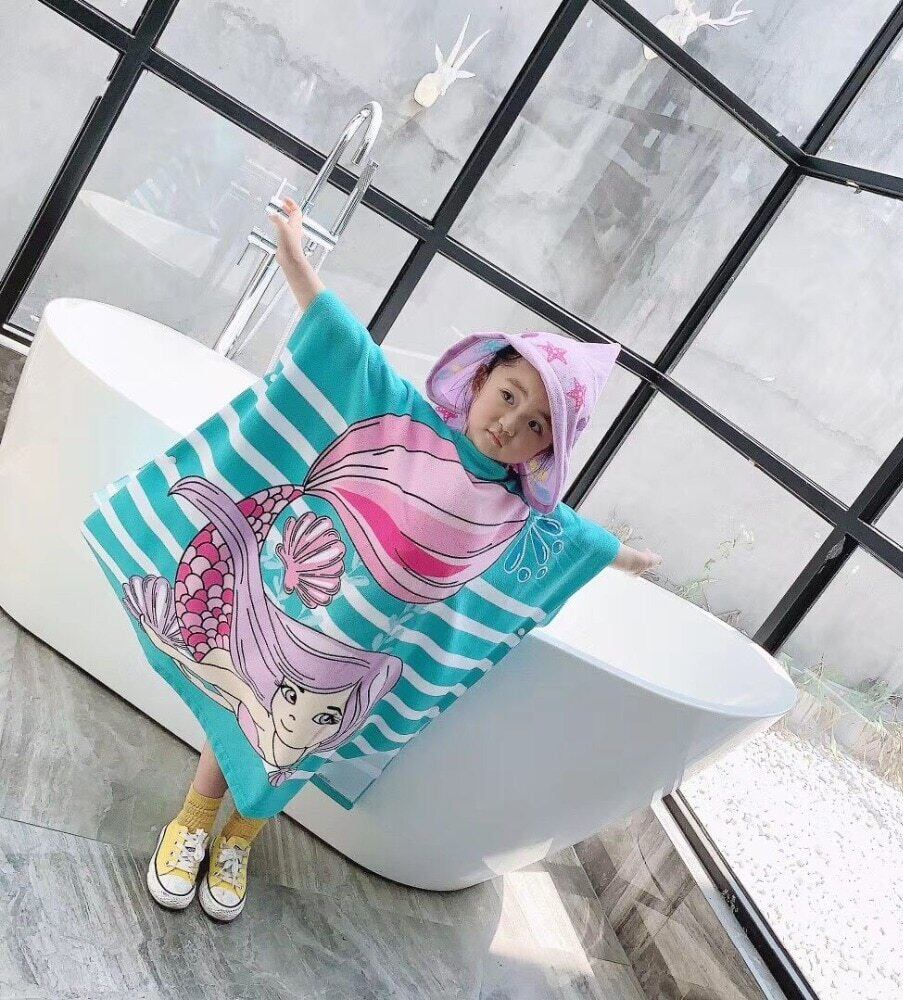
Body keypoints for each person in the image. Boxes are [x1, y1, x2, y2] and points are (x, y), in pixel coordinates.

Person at [135, 197, 661, 921]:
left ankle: (240, 839)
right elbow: (347, 347)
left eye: (536, 424)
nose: (510, 423)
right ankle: (196, 817)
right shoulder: (406, 420)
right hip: (310, 614)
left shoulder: (517, 511)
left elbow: (575, 538)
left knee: (300, 748)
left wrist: (623, 558)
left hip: (370, 653)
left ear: (547, 447)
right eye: (508, 396)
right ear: (481, 381)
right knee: (246, 710)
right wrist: (296, 259)